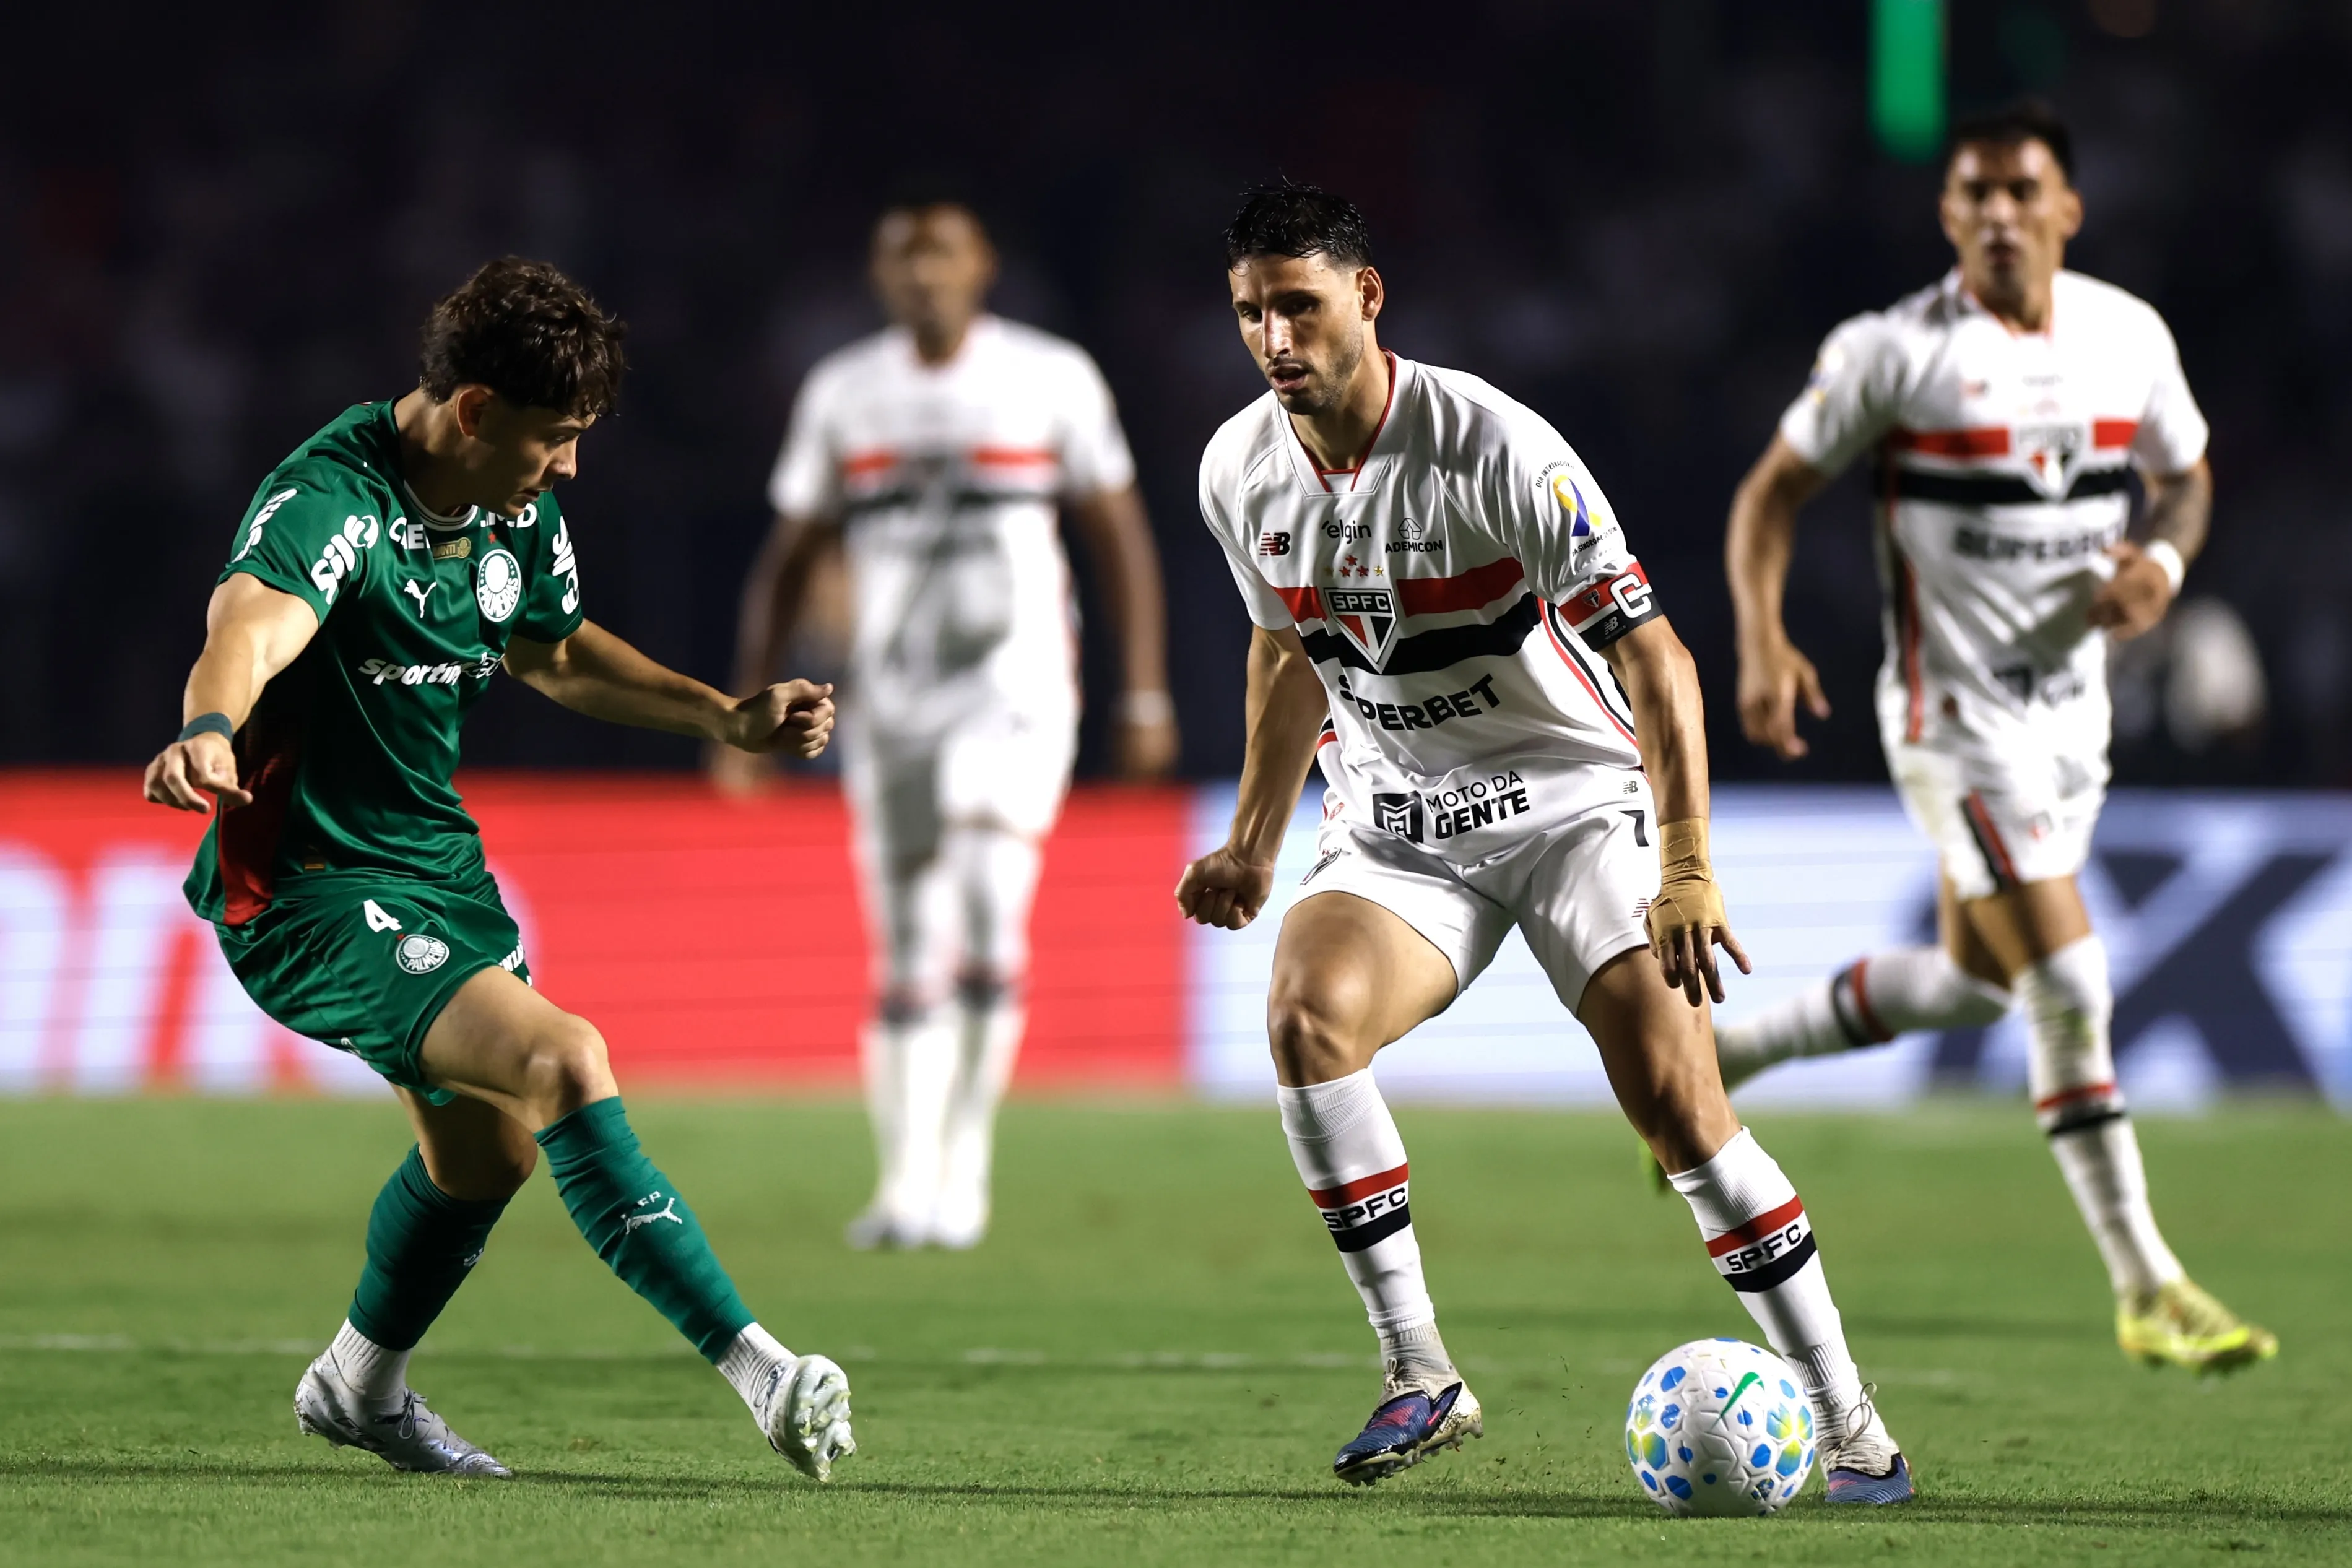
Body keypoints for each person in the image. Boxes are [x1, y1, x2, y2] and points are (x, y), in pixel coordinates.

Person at [1176, 184, 1912, 1504]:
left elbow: (1657, 656)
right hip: (1400, 827)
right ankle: (1421, 1373)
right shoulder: (1237, 470)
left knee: (1682, 1109)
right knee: (1304, 1017)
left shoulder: (1496, 446)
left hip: (1569, 804)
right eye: (1250, 313)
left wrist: (1686, 862)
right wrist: (1250, 840)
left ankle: (1852, 1422)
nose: (1275, 337)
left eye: (1299, 304)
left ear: (1367, 295)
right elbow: (1286, 649)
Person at [142, 259, 857, 1480]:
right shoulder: (333, 504)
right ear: (475, 413)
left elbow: (555, 649)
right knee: (564, 1059)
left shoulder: (510, 507)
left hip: (434, 865)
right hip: (308, 889)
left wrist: (724, 720)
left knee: (491, 1156)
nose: (569, 465)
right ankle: (764, 1370)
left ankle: (357, 1388)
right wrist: (210, 727)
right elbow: (251, 628)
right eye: (555, 438)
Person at [1719, 102, 2275, 1374]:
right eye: (1976, 195)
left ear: (2069, 209)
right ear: (1949, 215)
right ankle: (2149, 1285)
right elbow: (1769, 496)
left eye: (2025, 192)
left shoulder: (2128, 336)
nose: (2000, 215)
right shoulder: (1893, 352)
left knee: (1980, 978)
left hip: (2074, 713)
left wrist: (2166, 572)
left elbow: (2185, 478)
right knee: (2071, 985)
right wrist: (1760, 638)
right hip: (1950, 720)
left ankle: (1734, 1049)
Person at [723, 201, 1178, 1250]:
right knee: (904, 946)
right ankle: (903, 1183)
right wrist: (747, 704)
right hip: (889, 701)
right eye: (902, 259)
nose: (923, 275)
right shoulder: (845, 391)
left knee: (981, 900)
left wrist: (1143, 691)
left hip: (1016, 690)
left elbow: (1119, 537)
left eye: (941, 255)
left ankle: (964, 1160)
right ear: (880, 277)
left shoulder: (1050, 376)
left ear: (982, 267)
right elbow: (791, 555)